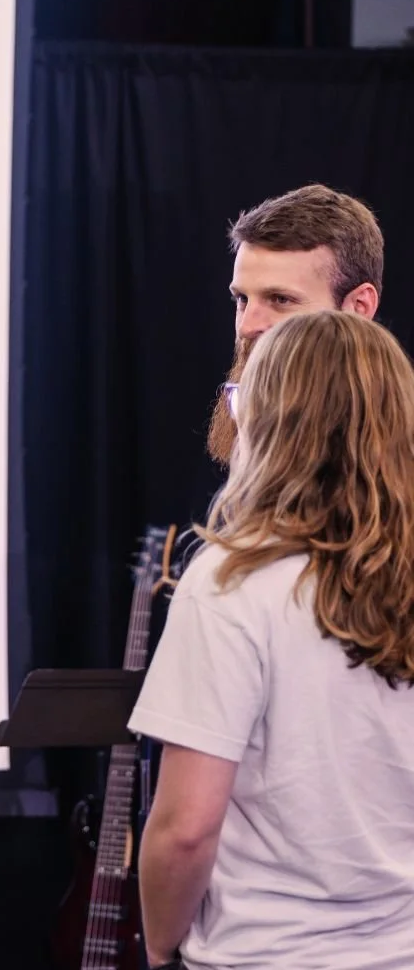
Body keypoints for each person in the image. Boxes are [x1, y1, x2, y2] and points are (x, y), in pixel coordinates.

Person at [130, 310, 414, 969]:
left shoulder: (231, 583)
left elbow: (185, 830)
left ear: (269, 422)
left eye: (240, 396)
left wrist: (161, 944)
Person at [206, 183, 382, 465]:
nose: (247, 326)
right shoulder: (255, 457)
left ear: (359, 308)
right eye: (241, 299)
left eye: (280, 299)